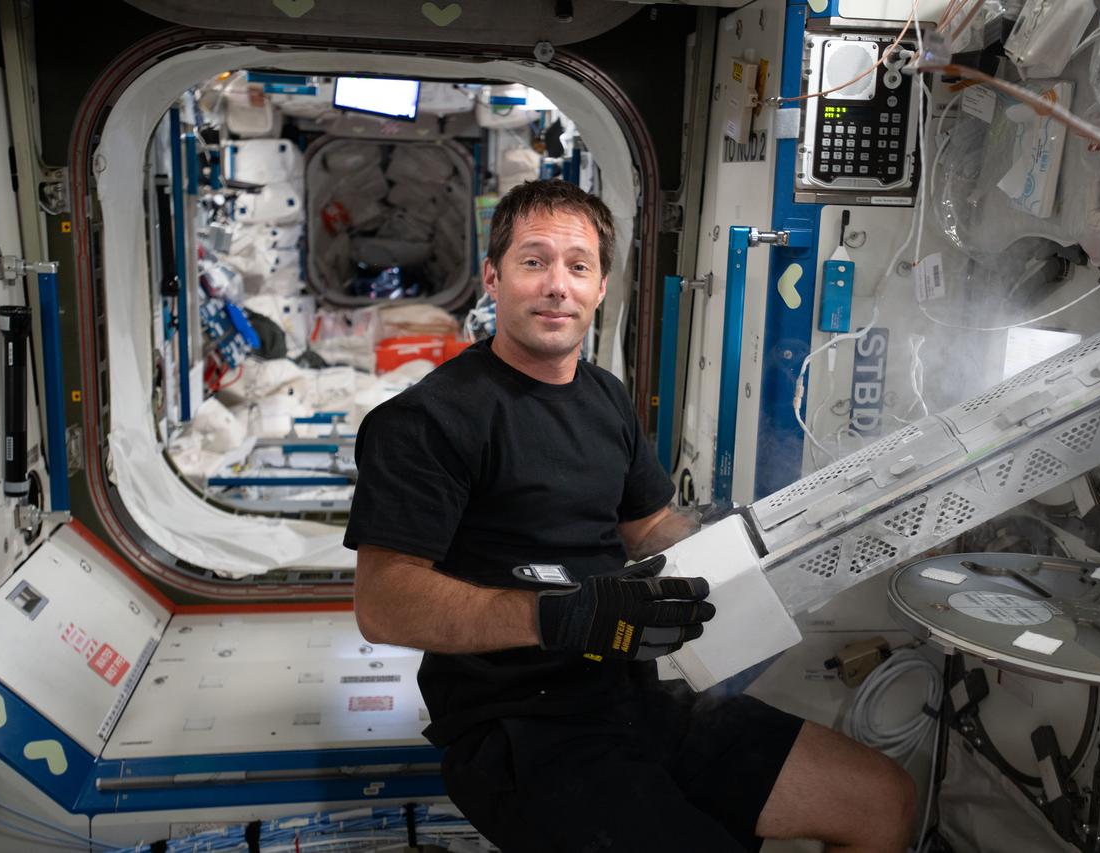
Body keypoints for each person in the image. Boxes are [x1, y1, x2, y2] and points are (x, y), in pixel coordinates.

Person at [344, 180, 916, 852]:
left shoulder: (604, 398)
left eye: (578, 266)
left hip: (639, 697)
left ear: (602, 286)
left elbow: (647, 527)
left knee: (883, 802)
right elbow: (382, 603)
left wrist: (750, 539)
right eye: (534, 262)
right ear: (493, 280)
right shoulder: (428, 421)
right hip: (519, 727)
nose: (558, 285)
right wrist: (556, 615)